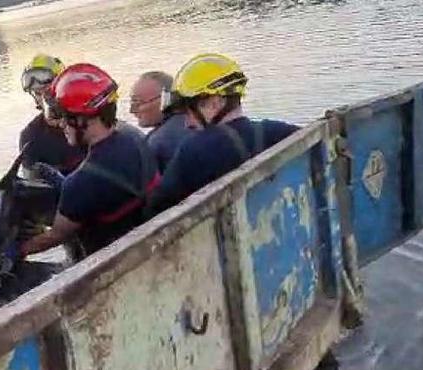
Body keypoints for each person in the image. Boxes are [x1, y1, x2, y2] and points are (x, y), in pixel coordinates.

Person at [19, 63, 160, 262]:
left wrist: (15, 250)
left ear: (82, 119)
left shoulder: (81, 182)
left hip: (113, 260)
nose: (61, 124)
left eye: (64, 117)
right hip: (149, 240)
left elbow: (56, 235)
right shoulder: (134, 138)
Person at [147, 54, 300, 216]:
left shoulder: (193, 150)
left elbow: (156, 210)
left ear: (215, 103)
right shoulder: (280, 132)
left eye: (189, 113)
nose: (187, 123)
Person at [18, 54, 86, 177]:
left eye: (48, 90)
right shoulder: (30, 136)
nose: (45, 98)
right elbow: (31, 182)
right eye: (38, 93)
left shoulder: (87, 120)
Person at [130, 70, 196, 173]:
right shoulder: (198, 122)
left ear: (165, 100)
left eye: (138, 102)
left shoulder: (156, 143)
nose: (132, 110)